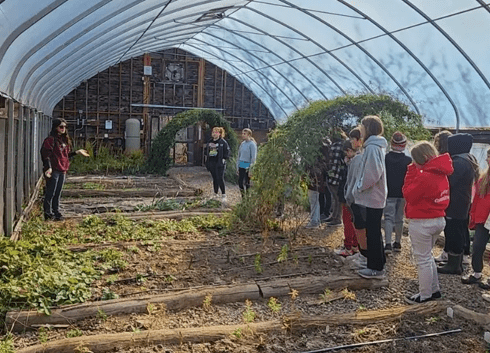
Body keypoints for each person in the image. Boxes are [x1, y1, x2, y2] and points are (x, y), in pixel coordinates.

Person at [403, 141, 453, 304]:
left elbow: (408, 194)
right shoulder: (441, 172)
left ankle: (425, 295)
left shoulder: (424, 175)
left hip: (422, 221)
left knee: (422, 259)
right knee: (428, 256)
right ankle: (434, 289)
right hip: (438, 219)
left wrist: (411, 172)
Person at [437, 133, 479, 275]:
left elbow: (449, 182)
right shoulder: (468, 160)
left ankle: (454, 265)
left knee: (453, 232)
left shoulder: (459, 163)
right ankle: (454, 261)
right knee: (458, 231)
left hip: (455, 204)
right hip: (462, 202)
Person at [353, 116, 387, 279]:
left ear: (368, 128)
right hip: (374, 197)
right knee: (374, 232)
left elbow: (373, 173)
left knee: (373, 233)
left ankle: (375, 268)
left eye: (362, 127)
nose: (361, 130)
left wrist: (359, 187)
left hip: (372, 198)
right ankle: (378, 262)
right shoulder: (374, 147)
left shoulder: (373, 148)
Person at [41, 118, 89, 221]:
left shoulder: (64, 140)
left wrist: (77, 152)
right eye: (61, 127)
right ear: (55, 127)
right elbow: (46, 154)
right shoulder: (50, 140)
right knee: (50, 192)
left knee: (57, 192)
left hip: (62, 169)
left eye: (64, 127)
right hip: (54, 169)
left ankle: (56, 212)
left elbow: (65, 155)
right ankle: (48, 214)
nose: (63, 129)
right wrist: (48, 167)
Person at [462, 147, 490, 286]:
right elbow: (478, 199)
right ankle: (477, 273)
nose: (487, 159)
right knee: (478, 246)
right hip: (482, 220)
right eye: (487, 156)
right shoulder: (484, 178)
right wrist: (473, 215)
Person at [383, 131, 412, 253]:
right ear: (404, 145)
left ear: (392, 143)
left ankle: (388, 244)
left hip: (388, 192)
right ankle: (398, 243)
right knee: (399, 218)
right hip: (402, 193)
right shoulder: (408, 160)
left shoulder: (386, 158)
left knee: (388, 218)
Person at [335, 139, 358, 256]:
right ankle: (355, 245)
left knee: (347, 221)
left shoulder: (350, 163)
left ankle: (348, 247)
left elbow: (345, 181)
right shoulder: (360, 160)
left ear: (349, 151)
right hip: (357, 197)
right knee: (355, 221)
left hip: (347, 196)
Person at [326, 128, 347, 226]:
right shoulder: (343, 145)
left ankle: (337, 218)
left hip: (334, 175)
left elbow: (331, 162)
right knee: (336, 197)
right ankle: (334, 216)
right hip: (340, 175)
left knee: (336, 198)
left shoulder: (335, 146)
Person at [205, 127, 230, 201]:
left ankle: (223, 194)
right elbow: (207, 151)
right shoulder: (210, 142)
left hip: (219, 163)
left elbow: (227, 151)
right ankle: (215, 193)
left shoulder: (223, 142)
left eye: (216, 132)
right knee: (214, 178)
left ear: (220, 134)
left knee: (220, 178)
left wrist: (223, 159)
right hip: (211, 162)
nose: (214, 134)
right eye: (213, 132)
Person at [236, 128, 257, 196]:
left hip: (248, 165)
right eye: (242, 133)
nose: (242, 135)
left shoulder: (252, 144)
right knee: (240, 182)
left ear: (249, 135)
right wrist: (237, 167)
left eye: (244, 134)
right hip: (241, 164)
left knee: (247, 183)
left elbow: (253, 157)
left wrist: (251, 169)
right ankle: (243, 196)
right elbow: (239, 155)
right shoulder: (242, 144)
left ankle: (247, 198)